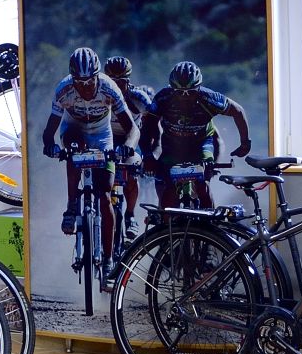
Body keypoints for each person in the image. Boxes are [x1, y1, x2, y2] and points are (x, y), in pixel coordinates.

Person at [41, 46, 137, 269]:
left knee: (105, 195)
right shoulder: (63, 90)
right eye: (79, 82)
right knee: (74, 148)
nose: (85, 87)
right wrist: (50, 146)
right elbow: (48, 131)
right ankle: (71, 205)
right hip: (74, 129)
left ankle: (108, 257)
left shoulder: (109, 87)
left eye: (90, 81)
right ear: (72, 79)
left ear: (97, 76)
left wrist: (128, 147)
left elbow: (132, 129)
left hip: (102, 135)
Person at [142, 60, 252, 209]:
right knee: (168, 186)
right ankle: (166, 220)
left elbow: (238, 111)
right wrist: (148, 155)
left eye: (191, 92)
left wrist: (245, 143)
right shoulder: (163, 98)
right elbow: (148, 127)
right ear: (171, 88)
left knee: (202, 184)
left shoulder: (209, 97)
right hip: (172, 145)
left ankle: (209, 220)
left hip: (201, 144)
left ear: (199, 87)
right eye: (179, 92)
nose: (185, 96)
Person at [103, 55, 155, 237]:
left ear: (129, 80)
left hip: (130, 140)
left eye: (121, 81)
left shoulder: (139, 98)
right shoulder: (100, 94)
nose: (117, 86)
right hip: (106, 139)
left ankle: (130, 215)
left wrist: (150, 153)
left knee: (132, 174)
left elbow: (154, 125)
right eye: (112, 81)